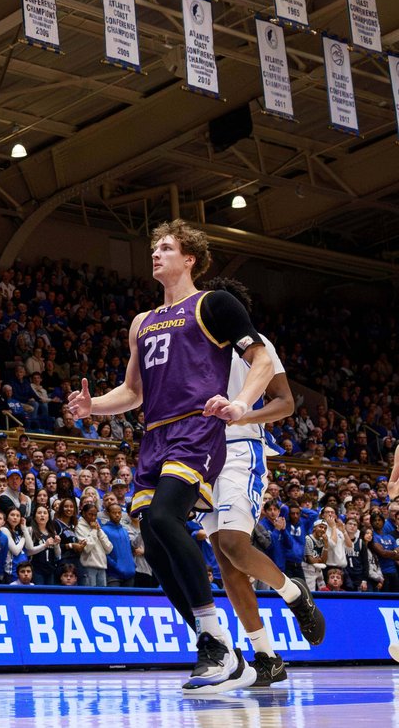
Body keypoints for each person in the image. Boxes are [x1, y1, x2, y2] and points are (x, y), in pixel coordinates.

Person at [67, 220, 278, 694]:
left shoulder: (214, 305)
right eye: (154, 248)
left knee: (164, 517)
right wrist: (93, 406)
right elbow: (133, 391)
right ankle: (215, 644)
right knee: (152, 538)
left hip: (198, 426)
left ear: (190, 259)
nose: (156, 254)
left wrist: (242, 403)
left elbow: (261, 359)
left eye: (167, 247)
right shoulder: (141, 322)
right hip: (155, 435)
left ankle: (218, 643)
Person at [198, 277, 323, 686]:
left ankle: (293, 592)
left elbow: (285, 402)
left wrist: (241, 414)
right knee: (227, 564)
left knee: (236, 545)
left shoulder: (254, 344)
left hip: (239, 448)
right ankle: (267, 656)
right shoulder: (189, 343)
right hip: (199, 455)